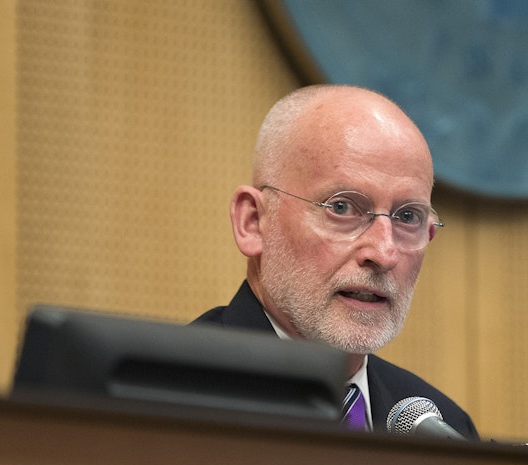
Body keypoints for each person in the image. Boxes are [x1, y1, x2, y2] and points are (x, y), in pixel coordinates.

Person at [193, 84, 478, 438]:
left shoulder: (444, 430)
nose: (383, 253)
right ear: (253, 222)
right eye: (341, 207)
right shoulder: (164, 398)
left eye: (407, 217)